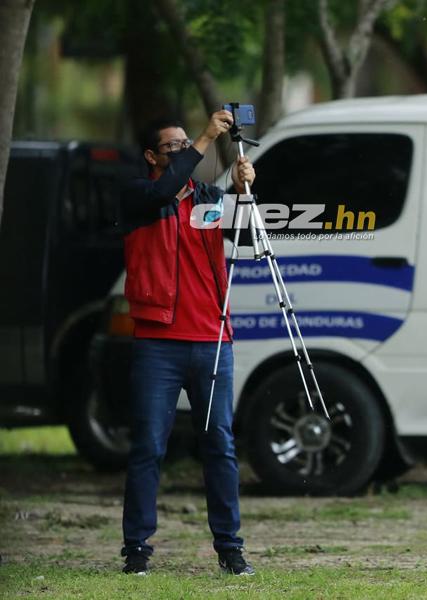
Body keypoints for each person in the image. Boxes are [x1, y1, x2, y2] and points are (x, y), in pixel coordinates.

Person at [118, 110, 255, 576]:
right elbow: (162, 189)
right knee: (149, 447)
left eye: (186, 145)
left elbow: (250, 240)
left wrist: (243, 191)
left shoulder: (207, 199)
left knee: (220, 445)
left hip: (213, 340)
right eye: (173, 147)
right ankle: (136, 550)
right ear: (152, 156)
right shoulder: (140, 197)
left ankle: (231, 550)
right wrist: (203, 137)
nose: (184, 151)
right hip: (158, 342)